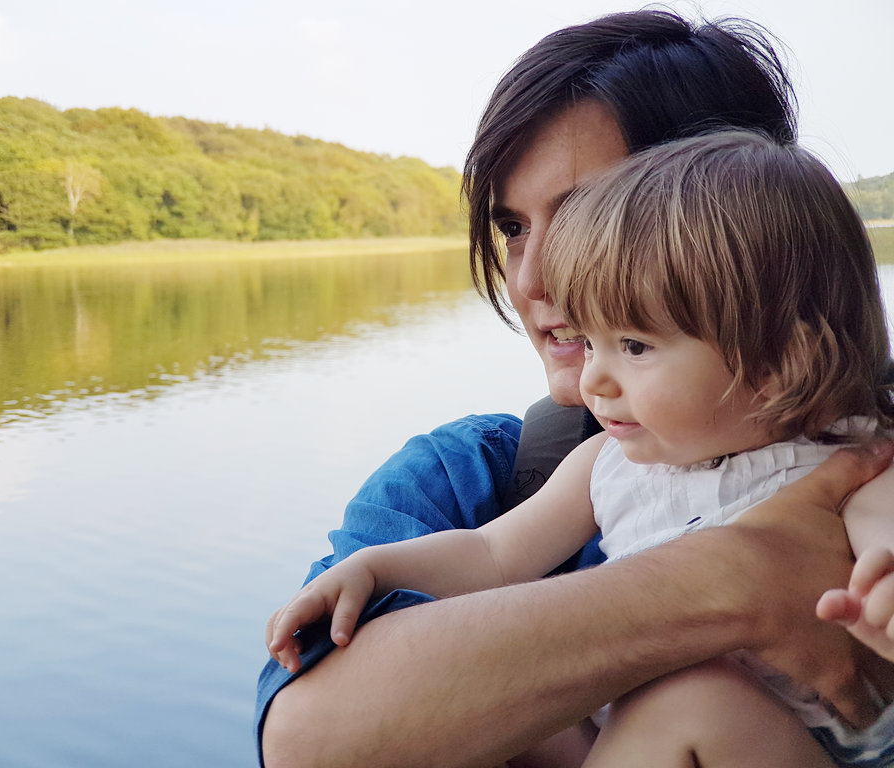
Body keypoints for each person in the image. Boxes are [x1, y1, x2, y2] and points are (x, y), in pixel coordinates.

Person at [256, 11, 894, 768]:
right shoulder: (480, 477)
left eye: (584, 214)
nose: (530, 280)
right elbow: (311, 742)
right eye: (513, 228)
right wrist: (733, 577)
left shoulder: (856, 455)